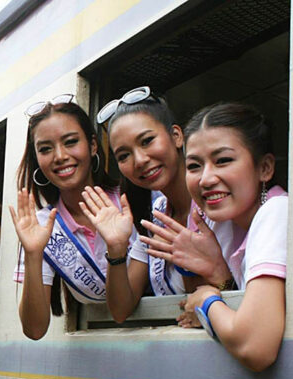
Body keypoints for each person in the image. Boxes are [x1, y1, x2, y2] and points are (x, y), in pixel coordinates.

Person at [139, 102, 286, 371]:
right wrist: (220, 277)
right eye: (194, 166)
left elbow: (255, 347)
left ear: (264, 168)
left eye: (223, 161)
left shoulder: (277, 211)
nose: (206, 178)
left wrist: (207, 302)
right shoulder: (225, 226)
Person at [80, 86, 233, 323]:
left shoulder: (220, 198)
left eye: (147, 141)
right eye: (123, 156)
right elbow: (121, 310)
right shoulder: (156, 217)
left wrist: (221, 278)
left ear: (176, 136)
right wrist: (117, 248)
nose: (139, 160)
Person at [10, 94, 135, 340]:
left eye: (70, 142)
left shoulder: (131, 198)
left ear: (93, 145)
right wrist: (34, 254)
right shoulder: (42, 227)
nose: (59, 156)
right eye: (45, 149)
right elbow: (35, 330)